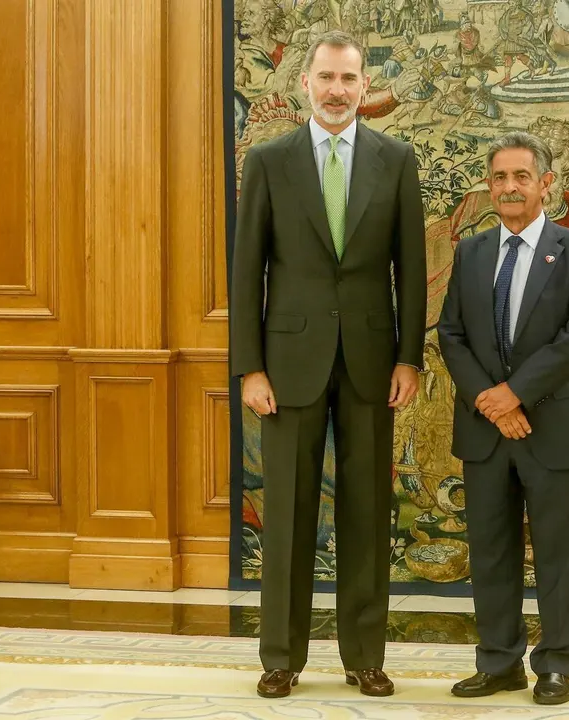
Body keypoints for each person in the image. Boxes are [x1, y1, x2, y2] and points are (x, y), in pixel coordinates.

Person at [230, 30, 427, 699]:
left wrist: (410, 358)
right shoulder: (268, 161)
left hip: (373, 361)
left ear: (364, 87)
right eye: (326, 78)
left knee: (369, 512)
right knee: (285, 512)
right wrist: (249, 367)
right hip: (287, 365)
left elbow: (412, 269)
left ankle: (364, 657)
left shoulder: (397, 160)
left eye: (349, 79)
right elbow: (246, 271)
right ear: (304, 84)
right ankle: (281, 656)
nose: (338, 90)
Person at [437, 131, 569, 706]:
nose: (510, 187)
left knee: (557, 549)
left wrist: (515, 395)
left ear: (545, 184)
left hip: (551, 423)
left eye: (521, 177)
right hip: (486, 426)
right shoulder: (471, 251)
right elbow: (451, 334)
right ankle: (498, 662)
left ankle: (556, 664)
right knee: (490, 548)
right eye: (500, 177)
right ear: (490, 186)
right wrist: (491, 398)